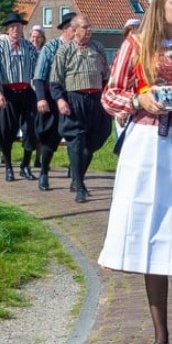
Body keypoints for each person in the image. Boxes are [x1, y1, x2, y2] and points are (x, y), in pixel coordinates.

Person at [100, 0, 172, 344]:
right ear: (160, 6)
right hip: (148, 145)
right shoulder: (136, 43)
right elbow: (110, 94)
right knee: (151, 232)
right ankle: (160, 334)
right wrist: (139, 100)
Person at [50, 13, 112, 202]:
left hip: (95, 99)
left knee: (94, 141)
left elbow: (106, 75)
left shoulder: (98, 47)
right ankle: (80, 187)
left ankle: (78, 178)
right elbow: (55, 80)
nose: (89, 30)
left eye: (89, 26)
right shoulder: (65, 51)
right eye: (85, 27)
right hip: (74, 100)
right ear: (75, 30)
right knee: (76, 143)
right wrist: (60, 100)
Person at [0, 13, 38, 182]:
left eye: (18, 26)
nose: (16, 30)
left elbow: (37, 71)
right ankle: (8, 166)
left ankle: (25, 164)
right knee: (6, 131)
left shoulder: (29, 47)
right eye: (12, 27)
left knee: (31, 128)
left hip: (26, 91)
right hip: (7, 92)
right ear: (7, 29)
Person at [32, 13, 76, 191]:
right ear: (66, 30)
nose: (78, 32)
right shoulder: (50, 47)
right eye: (75, 28)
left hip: (73, 97)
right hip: (51, 96)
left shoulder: (80, 48)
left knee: (76, 135)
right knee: (51, 136)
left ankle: (76, 175)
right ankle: (44, 172)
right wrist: (41, 98)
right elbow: (39, 76)